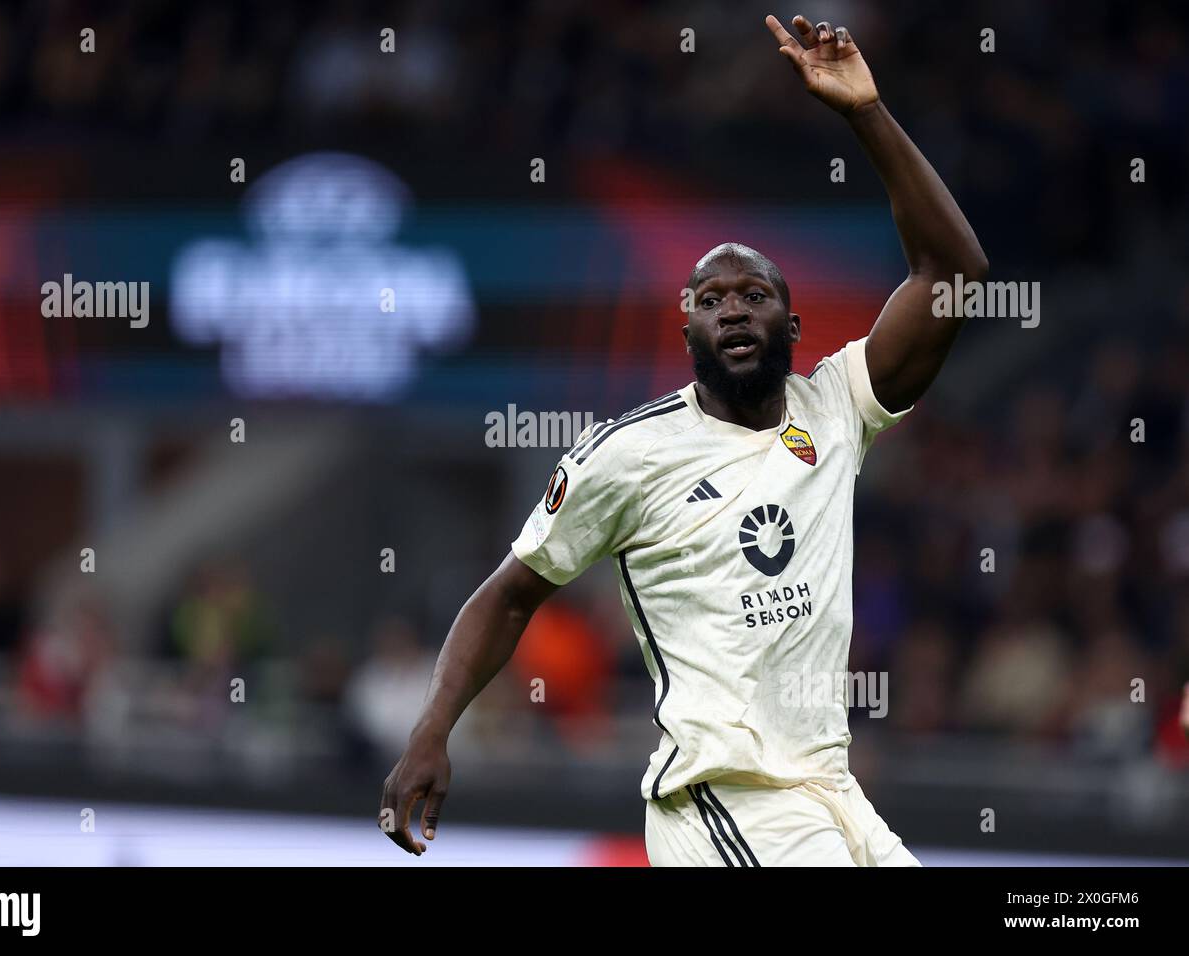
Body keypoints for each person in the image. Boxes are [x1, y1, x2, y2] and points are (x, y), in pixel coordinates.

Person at [380, 13, 986, 865]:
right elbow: (511, 593)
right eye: (710, 299)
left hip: (829, 792)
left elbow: (956, 279)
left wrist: (866, 114)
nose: (732, 308)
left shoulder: (836, 405)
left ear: (794, 321)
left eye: (753, 294)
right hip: (718, 799)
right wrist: (432, 729)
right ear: (687, 327)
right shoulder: (626, 455)